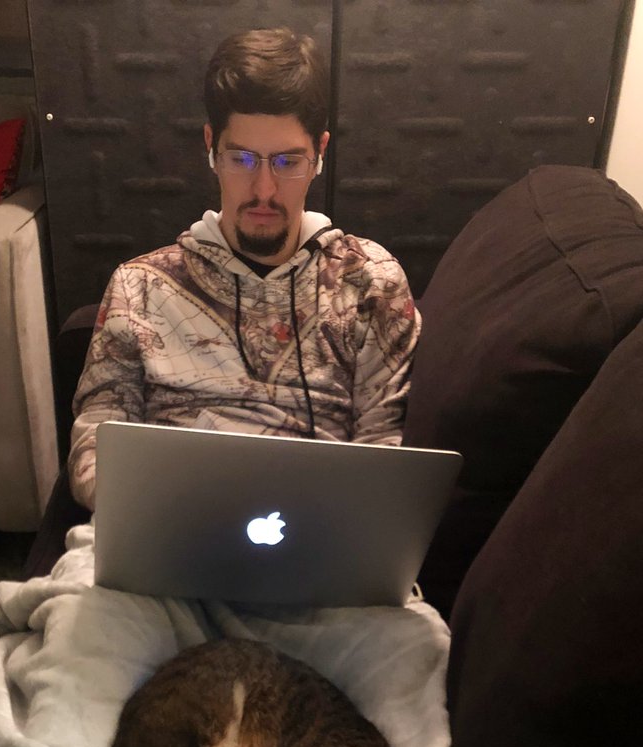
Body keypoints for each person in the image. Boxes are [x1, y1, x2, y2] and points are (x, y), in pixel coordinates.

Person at [68, 25, 420, 512]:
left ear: (320, 152)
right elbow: (96, 439)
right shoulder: (140, 287)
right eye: (243, 158)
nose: (264, 190)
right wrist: (148, 506)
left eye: (287, 161)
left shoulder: (370, 282)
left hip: (317, 534)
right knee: (53, 594)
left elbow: (385, 446)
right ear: (211, 146)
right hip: (169, 525)